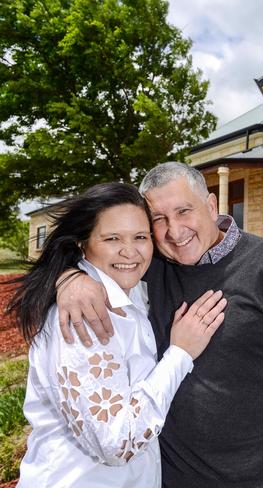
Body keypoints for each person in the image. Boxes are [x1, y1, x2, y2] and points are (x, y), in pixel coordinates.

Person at [56, 163, 263, 487]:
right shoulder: (149, 267)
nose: (174, 230)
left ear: (212, 206)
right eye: (159, 219)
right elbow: (98, 253)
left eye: (184, 211)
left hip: (254, 478)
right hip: (170, 478)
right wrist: (70, 278)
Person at [8, 183, 227, 487]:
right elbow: (116, 442)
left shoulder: (133, 288)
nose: (129, 251)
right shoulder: (82, 316)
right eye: (112, 238)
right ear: (84, 244)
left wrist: (67, 275)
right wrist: (180, 354)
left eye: (140, 237)